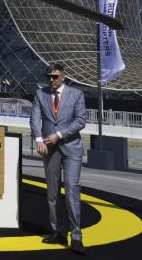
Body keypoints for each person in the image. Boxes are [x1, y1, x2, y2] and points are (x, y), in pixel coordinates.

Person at [30, 63, 87, 255]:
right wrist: (39, 139)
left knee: (72, 191)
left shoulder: (76, 94)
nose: (51, 80)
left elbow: (80, 121)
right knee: (52, 193)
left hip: (71, 149)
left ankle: (76, 237)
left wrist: (59, 135)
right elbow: (34, 119)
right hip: (49, 150)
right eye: (49, 77)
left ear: (63, 77)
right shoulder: (40, 94)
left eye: (55, 76)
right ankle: (58, 232)